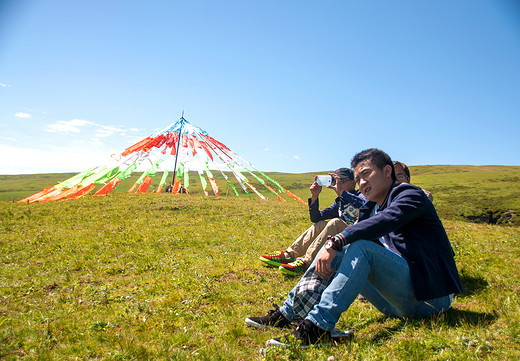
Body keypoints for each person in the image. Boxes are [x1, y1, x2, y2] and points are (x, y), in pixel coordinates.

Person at [246, 148, 463, 347]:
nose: (361, 183)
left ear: (388, 171)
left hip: (431, 299)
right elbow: (343, 227)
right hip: (394, 302)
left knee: (359, 246)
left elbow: (387, 220)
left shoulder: (409, 194)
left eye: (366, 174)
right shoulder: (370, 207)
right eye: (357, 179)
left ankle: (317, 328)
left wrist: (336, 240)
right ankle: (288, 314)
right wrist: (334, 245)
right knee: (344, 249)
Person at [259, 168, 365, 276]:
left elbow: (363, 205)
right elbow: (316, 218)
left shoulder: (361, 194)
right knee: (320, 224)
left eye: (343, 181)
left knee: (336, 222)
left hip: (357, 238)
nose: (339, 184)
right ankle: (288, 256)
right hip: (342, 238)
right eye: (336, 181)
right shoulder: (339, 202)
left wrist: (342, 194)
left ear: (353, 182)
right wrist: (314, 197)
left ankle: (306, 262)